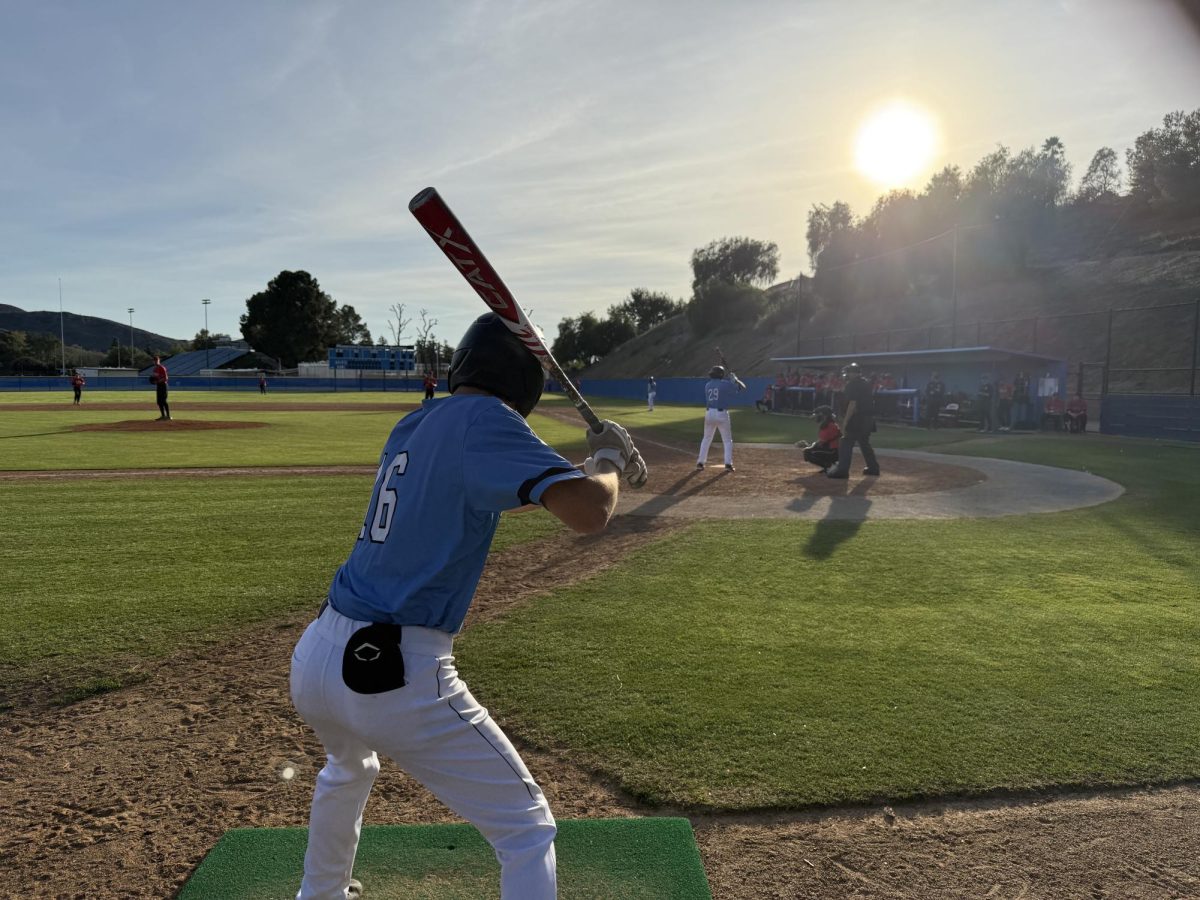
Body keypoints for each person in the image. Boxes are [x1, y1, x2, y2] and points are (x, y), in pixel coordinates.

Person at [288, 313, 647, 900]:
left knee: (348, 768)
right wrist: (605, 463)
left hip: (318, 655)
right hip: (393, 672)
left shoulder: (420, 419)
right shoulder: (487, 420)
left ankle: (320, 895)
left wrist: (592, 468)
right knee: (527, 828)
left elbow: (492, 491)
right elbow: (589, 513)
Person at [826, 362, 880, 478]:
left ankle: (842, 470)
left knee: (846, 441)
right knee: (864, 442)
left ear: (852, 373)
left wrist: (845, 421)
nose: (847, 375)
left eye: (848, 373)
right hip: (869, 418)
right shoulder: (865, 383)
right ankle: (873, 467)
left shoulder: (852, 384)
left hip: (858, 418)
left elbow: (853, 404)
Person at [696, 364, 745, 471]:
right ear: (721, 375)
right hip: (721, 414)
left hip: (709, 413)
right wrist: (735, 379)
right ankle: (728, 464)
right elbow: (742, 387)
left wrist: (732, 381)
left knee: (706, 438)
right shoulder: (725, 384)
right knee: (727, 440)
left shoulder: (707, 385)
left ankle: (700, 462)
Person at [797, 405, 841, 473]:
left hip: (833, 452)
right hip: (835, 451)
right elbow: (821, 442)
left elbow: (821, 443)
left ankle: (829, 466)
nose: (816, 417)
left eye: (818, 415)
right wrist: (810, 446)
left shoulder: (827, 426)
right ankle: (830, 465)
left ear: (824, 415)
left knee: (807, 452)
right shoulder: (830, 424)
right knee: (811, 449)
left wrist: (807, 447)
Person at [150, 356, 170, 421]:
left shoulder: (162, 368)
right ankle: (163, 416)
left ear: (159, 361)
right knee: (159, 402)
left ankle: (168, 416)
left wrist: (158, 381)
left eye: (156, 360)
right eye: (154, 360)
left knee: (164, 401)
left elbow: (166, 378)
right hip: (159, 386)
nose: (155, 361)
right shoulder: (154, 369)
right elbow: (154, 378)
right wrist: (154, 381)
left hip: (163, 385)